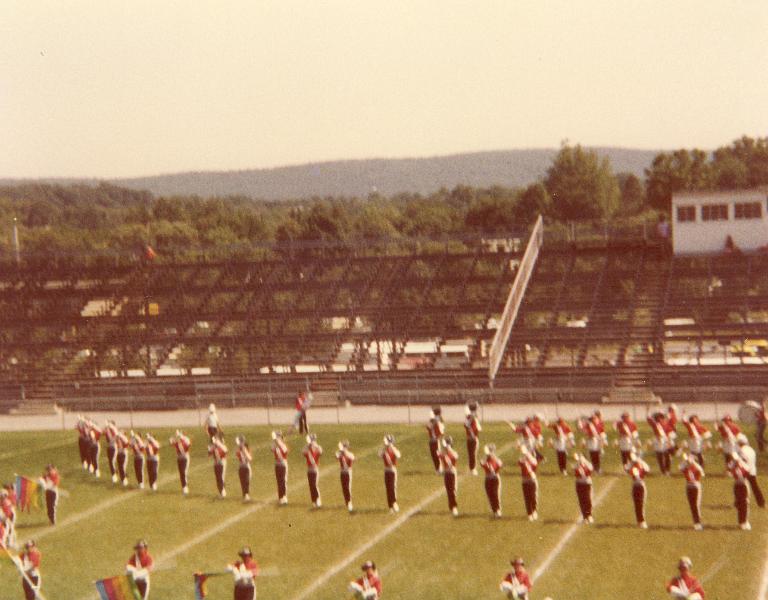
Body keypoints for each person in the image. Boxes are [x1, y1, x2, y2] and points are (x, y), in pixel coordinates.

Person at [736, 434, 765, 508]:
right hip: (752, 470)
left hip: (745, 471)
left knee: (741, 487)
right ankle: (761, 502)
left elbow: (742, 461)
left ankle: (740, 502)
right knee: (755, 487)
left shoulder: (741, 450)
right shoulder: (751, 449)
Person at [727, 449, 751, 530]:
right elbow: (728, 470)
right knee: (739, 504)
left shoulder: (743, 464)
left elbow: (747, 471)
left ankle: (745, 522)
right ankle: (741, 522)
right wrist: (734, 463)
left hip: (744, 484)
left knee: (745, 503)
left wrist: (740, 462)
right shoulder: (733, 464)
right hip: (737, 484)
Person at [680, 453, 705, 530]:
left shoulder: (696, 467)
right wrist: (685, 461)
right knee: (692, 505)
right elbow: (680, 468)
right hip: (689, 486)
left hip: (695, 486)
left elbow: (702, 474)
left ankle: (698, 523)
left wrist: (691, 463)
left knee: (696, 505)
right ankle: (696, 522)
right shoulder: (686, 466)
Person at [626, 450, 650, 529]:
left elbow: (647, 469)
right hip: (634, 485)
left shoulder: (641, 464)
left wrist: (640, 462)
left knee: (641, 503)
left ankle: (642, 521)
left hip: (641, 485)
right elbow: (626, 468)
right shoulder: (631, 464)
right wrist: (632, 463)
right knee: (636, 504)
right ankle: (639, 521)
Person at [379, 434, 401, 514]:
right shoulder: (384, 450)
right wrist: (385, 448)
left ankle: (394, 502)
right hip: (386, 471)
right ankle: (390, 506)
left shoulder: (394, 450)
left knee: (392, 487)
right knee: (388, 488)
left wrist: (391, 447)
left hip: (392, 470)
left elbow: (398, 455)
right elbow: (379, 454)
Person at [439, 435, 460, 516]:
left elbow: (452, 462)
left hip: (452, 473)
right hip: (446, 473)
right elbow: (440, 456)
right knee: (448, 491)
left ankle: (454, 507)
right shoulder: (443, 453)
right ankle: (451, 507)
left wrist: (446, 453)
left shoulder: (453, 453)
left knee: (452, 490)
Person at [480, 443, 503, 517]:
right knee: (489, 495)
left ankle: (498, 510)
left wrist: (488, 465)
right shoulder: (486, 459)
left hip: (495, 479)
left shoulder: (496, 460)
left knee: (495, 494)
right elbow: (483, 464)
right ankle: (494, 510)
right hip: (487, 479)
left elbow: (496, 468)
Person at [518, 447, 539, 521]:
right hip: (525, 481)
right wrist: (524, 458)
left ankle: (534, 511)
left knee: (533, 497)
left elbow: (535, 464)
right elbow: (520, 462)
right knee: (527, 498)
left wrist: (528, 456)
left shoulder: (533, 460)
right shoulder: (522, 460)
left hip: (532, 480)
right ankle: (529, 513)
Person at [573, 453, 594, 524]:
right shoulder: (576, 465)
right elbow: (576, 474)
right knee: (581, 501)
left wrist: (582, 470)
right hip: (579, 484)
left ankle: (589, 515)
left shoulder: (589, 465)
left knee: (588, 499)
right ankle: (585, 517)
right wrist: (579, 469)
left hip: (587, 483)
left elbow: (588, 472)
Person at [303, 433, 323, 507]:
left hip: (315, 468)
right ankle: (313, 501)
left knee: (315, 485)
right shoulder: (307, 447)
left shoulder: (318, 447)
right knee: (311, 485)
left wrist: (314, 446)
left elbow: (320, 452)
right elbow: (303, 452)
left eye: (312, 439)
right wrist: (308, 446)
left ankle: (318, 500)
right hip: (309, 469)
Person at [170, 430, 191, 495]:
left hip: (185, 457)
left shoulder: (185, 439)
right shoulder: (177, 441)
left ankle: (185, 487)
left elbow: (188, 446)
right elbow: (171, 443)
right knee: (181, 472)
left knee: (183, 472)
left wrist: (180, 439)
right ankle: (184, 486)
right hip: (179, 458)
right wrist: (174, 439)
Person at [336, 440, 355, 512]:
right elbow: (336, 455)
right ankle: (347, 501)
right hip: (342, 472)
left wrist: (345, 452)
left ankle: (350, 502)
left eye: (344, 446)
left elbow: (352, 458)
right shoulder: (340, 454)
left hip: (348, 472)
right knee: (344, 488)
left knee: (347, 487)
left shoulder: (350, 454)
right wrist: (341, 452)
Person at [463, 402, 482, 475]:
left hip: (470, 437)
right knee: (473, 454)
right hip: (473, 437)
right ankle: (473, 469)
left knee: (471, 454)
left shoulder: (470, 417)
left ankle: (471, 468)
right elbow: (467, 425)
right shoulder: (471, 417)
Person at [271, 431, 289, 505]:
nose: (277, 438)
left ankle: (284, 497)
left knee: (283, 481)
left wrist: (279, 442)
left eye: (278, 437)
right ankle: (280, 497)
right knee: (279, 481)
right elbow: (272, 448)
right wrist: (275, 441)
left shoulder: (283, 445)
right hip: (277, 464)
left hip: (283, 464)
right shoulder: (275, 445)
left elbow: (285, 451)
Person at [426, 407, 445, 473]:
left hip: (436, 440)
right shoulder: (432, 420)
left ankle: (440, 468)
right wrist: (434, 421)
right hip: (431, 440)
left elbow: (441, 431)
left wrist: (437, 421)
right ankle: (437, 469)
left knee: (437, 454)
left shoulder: (440, 420)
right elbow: (428, 427)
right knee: (433, 455)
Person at [235, 436, 253, 502]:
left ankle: (247, 495)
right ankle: (244, 495)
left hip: (246, 467)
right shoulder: (238, 450)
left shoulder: (247, 449)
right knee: (242, 482)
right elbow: (238, 455)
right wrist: (241, 449)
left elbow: (250, 459)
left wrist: (244, 451)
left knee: (246, 481)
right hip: (241, 467)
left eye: (240, 442)